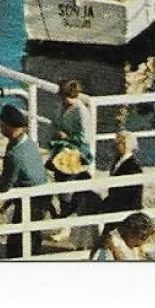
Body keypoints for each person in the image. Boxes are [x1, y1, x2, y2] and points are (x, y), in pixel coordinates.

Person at [0, 103, 50, 257]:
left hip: (31, 200)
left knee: (17, 244)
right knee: (33, 236)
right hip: (43, 194)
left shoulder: (14, 154)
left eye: (1, 124)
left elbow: (4, 187)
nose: (0, 127)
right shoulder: (28, 142)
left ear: (8, 126)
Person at [48, 79, 95, 219]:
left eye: (67, 97)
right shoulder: (61, 106)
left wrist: (67, 137)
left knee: (67, 188)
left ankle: (66, 219)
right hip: (61, 151)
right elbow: (55, 122)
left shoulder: (81, 112)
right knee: (61, 184)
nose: (64, 100)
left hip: (75, 153)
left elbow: (85, 138)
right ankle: (65, 216)